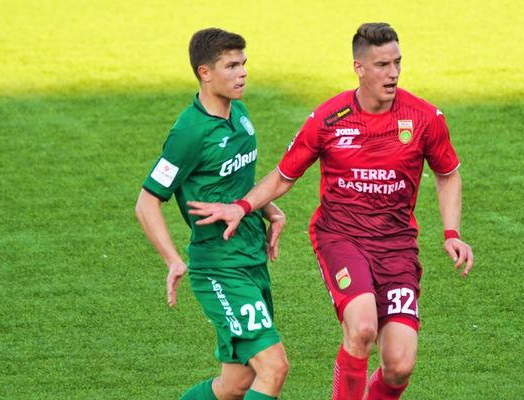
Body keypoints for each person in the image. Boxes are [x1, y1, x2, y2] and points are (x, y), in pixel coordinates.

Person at [188, 22, 474, 400]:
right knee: (362, 328)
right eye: (382, 65)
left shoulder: (423, 117)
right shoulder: (329, 118)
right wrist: (242, 207)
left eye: (397, 63)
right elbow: (284, 176)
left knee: (399, 366)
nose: (393, 73)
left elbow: (447, 174)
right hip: (342, 238)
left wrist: (452, 233)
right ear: (359, 67)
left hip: (397, 247)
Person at [134, 28, 289, 400]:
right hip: (220, 267)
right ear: (204, 72)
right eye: (231, 66)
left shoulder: (240, 113)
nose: (243, 73)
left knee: (235, 385)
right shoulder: (189, 132)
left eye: (244, 63)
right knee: (273, 367)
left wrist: (268, 208)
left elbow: (235, 180)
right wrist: (172, 260)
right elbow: (147, 201)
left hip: (251, 259)